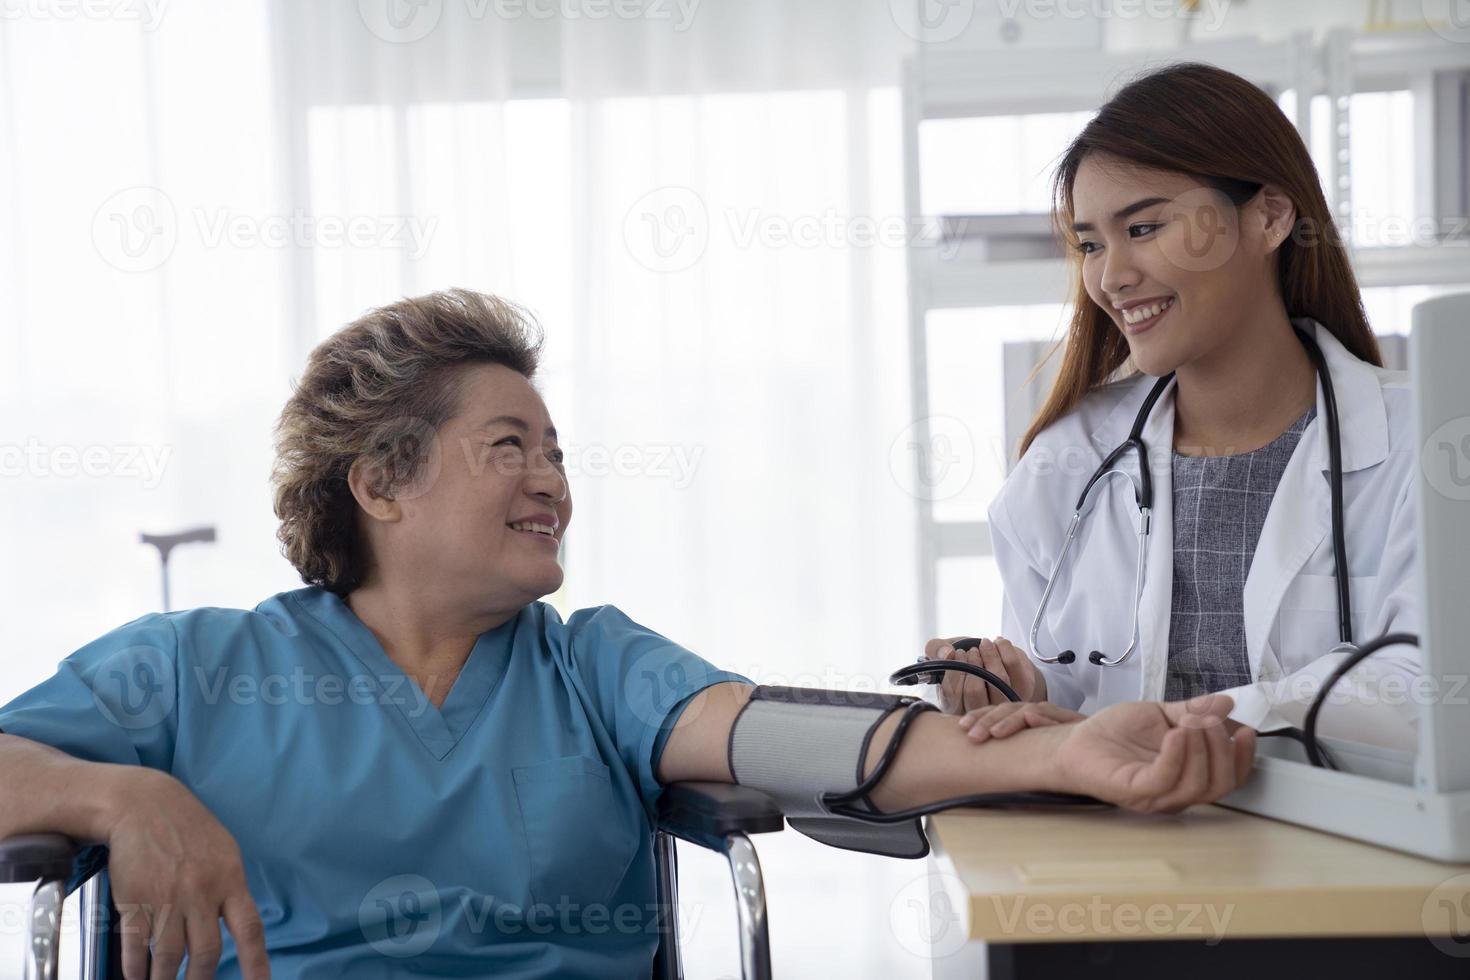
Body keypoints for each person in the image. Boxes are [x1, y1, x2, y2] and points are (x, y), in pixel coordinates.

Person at [0, 290, 1254, 979]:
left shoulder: (586, 657)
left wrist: (1057, 755)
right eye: (510, 448)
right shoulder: (193, 665)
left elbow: (763, 729)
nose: (552, 478)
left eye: (556, 451)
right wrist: (115, 793)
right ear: (380, 483)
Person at [927, 63, 1420, 753]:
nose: (1109, 276)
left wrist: (1171, 730)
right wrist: (1015, 689)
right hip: (1123, 853)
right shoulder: (1067, 462)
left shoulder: (1420, 443)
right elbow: (1061, 708)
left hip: (1338, 857)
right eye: (1091, 243)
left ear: (1271, 217)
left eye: (1146, 227)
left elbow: (1425, 692)